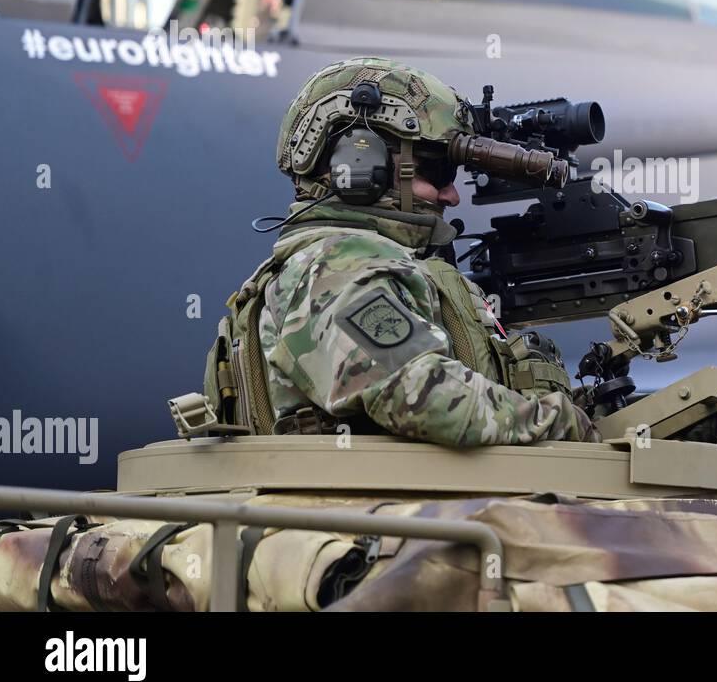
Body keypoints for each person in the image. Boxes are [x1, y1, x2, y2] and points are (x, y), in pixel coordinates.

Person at [204, 57, 598, 446]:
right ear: (359, 163)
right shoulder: (336, 268)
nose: (452, 195)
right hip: (374, 506)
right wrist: (560, 422)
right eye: (438, 172)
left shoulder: (374, 264)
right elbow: (422, 396)